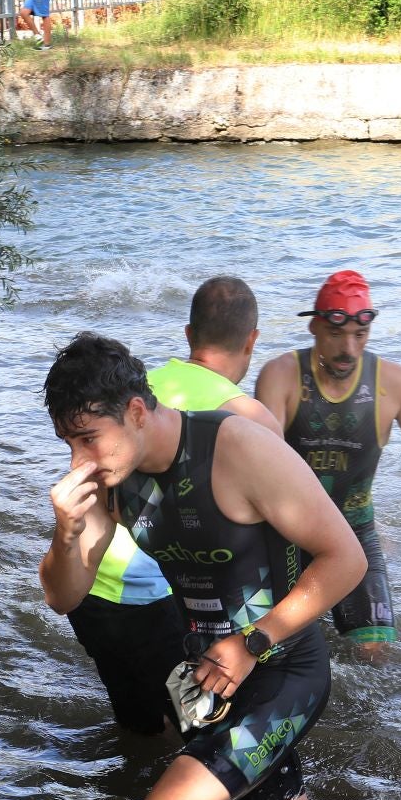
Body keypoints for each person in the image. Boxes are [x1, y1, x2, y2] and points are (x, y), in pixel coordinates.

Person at [39, 333, 365, 800]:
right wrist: (66, 531)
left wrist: (254, 640)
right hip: (207, 681)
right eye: (69, 443)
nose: (80, 459)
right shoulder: (110, 481)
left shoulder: (238, 447)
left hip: (280, 665)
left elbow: (346, 558)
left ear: (137, 411)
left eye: (88, 439)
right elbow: (64, 596)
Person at [58, 276, 281, 735]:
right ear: (252, 340)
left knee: (139, 726)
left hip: (93, 593)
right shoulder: (249, 419)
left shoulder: (129, 391)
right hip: (164, 600)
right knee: (203, 732)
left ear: (188, 335)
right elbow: (286, 541)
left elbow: (64, 590)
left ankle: (130, 782)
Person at [255, 270, 401, 652]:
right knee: (276, 646)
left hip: (353, 531)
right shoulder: (281, 376)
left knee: (374, 654)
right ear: (314, 327)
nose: (348, 348)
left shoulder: (393, 383)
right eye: (336, 335)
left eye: (359, 336)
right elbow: (266, 461)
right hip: (287, 532)